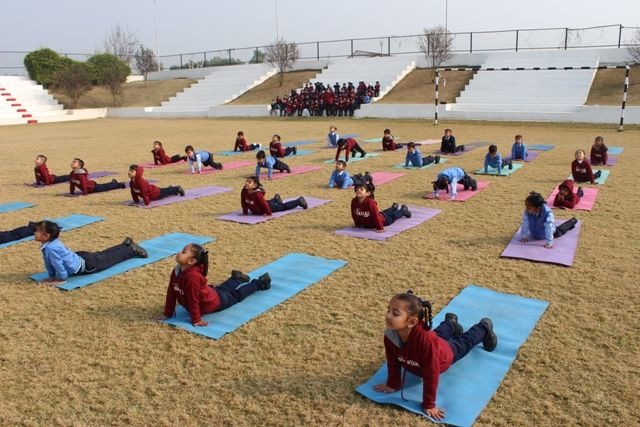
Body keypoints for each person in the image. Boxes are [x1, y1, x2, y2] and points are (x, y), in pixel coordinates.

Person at [373, 291, 497, 420]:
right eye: (389, 310)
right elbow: (393, 360)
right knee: (438, 334)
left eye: (395, 313)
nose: (388, 315)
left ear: (411, 322)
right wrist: (393, 384)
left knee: (463, 342)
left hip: (444, 355)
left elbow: (431, 374)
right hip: (429, 344)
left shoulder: (427, 342)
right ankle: (451, 324)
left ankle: (484, 328)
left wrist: (429, 404)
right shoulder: (391, 335)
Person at [157, 243, 272, 326]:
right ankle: (237, 278)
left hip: (213, 303)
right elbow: (172, 292)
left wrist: (196, 319)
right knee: (222, 289)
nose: (179, 252)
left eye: (183, 252)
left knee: (236, 295)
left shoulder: (192, 277)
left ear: (191, 261)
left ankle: (259, 283)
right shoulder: (177, 270)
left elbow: (193, 299)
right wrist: (168, 313)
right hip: (211, 293)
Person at [34, 220, 147, 285]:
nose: (35, 232)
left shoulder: (50, 248)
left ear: (46, 236)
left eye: (38, 231)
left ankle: (131, 250)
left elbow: (57, 264)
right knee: (104, 255)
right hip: (80, 257)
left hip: (87, 265)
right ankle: (125, 245)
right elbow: (51, 263)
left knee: (110, 259)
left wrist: (61, 278)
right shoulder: (50, 244)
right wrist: (51, 276)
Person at [241, 176, 307, 216]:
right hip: (263, 205)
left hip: (270, 207)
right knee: (268, 202)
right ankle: (275, 199)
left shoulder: (257, 194)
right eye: (246, 181)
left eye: (249, 182)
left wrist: (268, 213)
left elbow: (264, 204)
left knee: (283, 207)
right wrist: (245, 212)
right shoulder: (244, 191)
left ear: (255, 185)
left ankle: (298, 201)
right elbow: (243, 202)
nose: (246, 183)